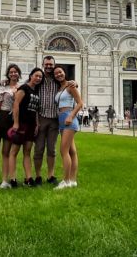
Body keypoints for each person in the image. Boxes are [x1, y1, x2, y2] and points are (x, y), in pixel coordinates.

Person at [34, 55, 76, 187]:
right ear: (43, 64)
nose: (49, 66)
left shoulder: (58, 80)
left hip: (55, 119)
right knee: (39, 149)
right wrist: (5, 83)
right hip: (41, 118)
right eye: (46, 64)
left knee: (52, 149)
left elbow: (68, 86)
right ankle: (38, 176)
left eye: (51, 64)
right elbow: (27, 85)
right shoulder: (38, 79)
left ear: (54, 65)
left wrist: (74, 82)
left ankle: (51, 176)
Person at [0, 65, 20, 190]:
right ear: (8, 74)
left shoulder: (21, 88)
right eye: (11, 72)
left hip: (11, 121)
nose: (13, 74)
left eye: (15, 72)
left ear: (18, 74)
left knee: (6, 153)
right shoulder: (3, 87)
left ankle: (5, 181)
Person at [10, 67, 44, 188]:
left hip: (31, 125)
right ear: (31, 76)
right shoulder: (24, 88)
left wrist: (37, 124)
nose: (38, 78)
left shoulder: (36, 91)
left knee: (27, 151)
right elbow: (16, 104)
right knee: (14, 151)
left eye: (40, 77)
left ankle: (28, 178)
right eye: (36, 75)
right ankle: (12, 179)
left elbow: (35, 110)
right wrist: (16, 123)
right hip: (21, 123)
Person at [53, 65, 84, 190]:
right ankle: (72, 180)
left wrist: (71, 116)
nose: (58, 75)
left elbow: (80, 103)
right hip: (61, 118)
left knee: (63, 151)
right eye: (56, 73)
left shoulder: (71, 86)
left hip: (68, 118)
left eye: (60, 72)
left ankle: (65, 181)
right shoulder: (60, 87)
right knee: (72, 151)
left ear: (64, 73)